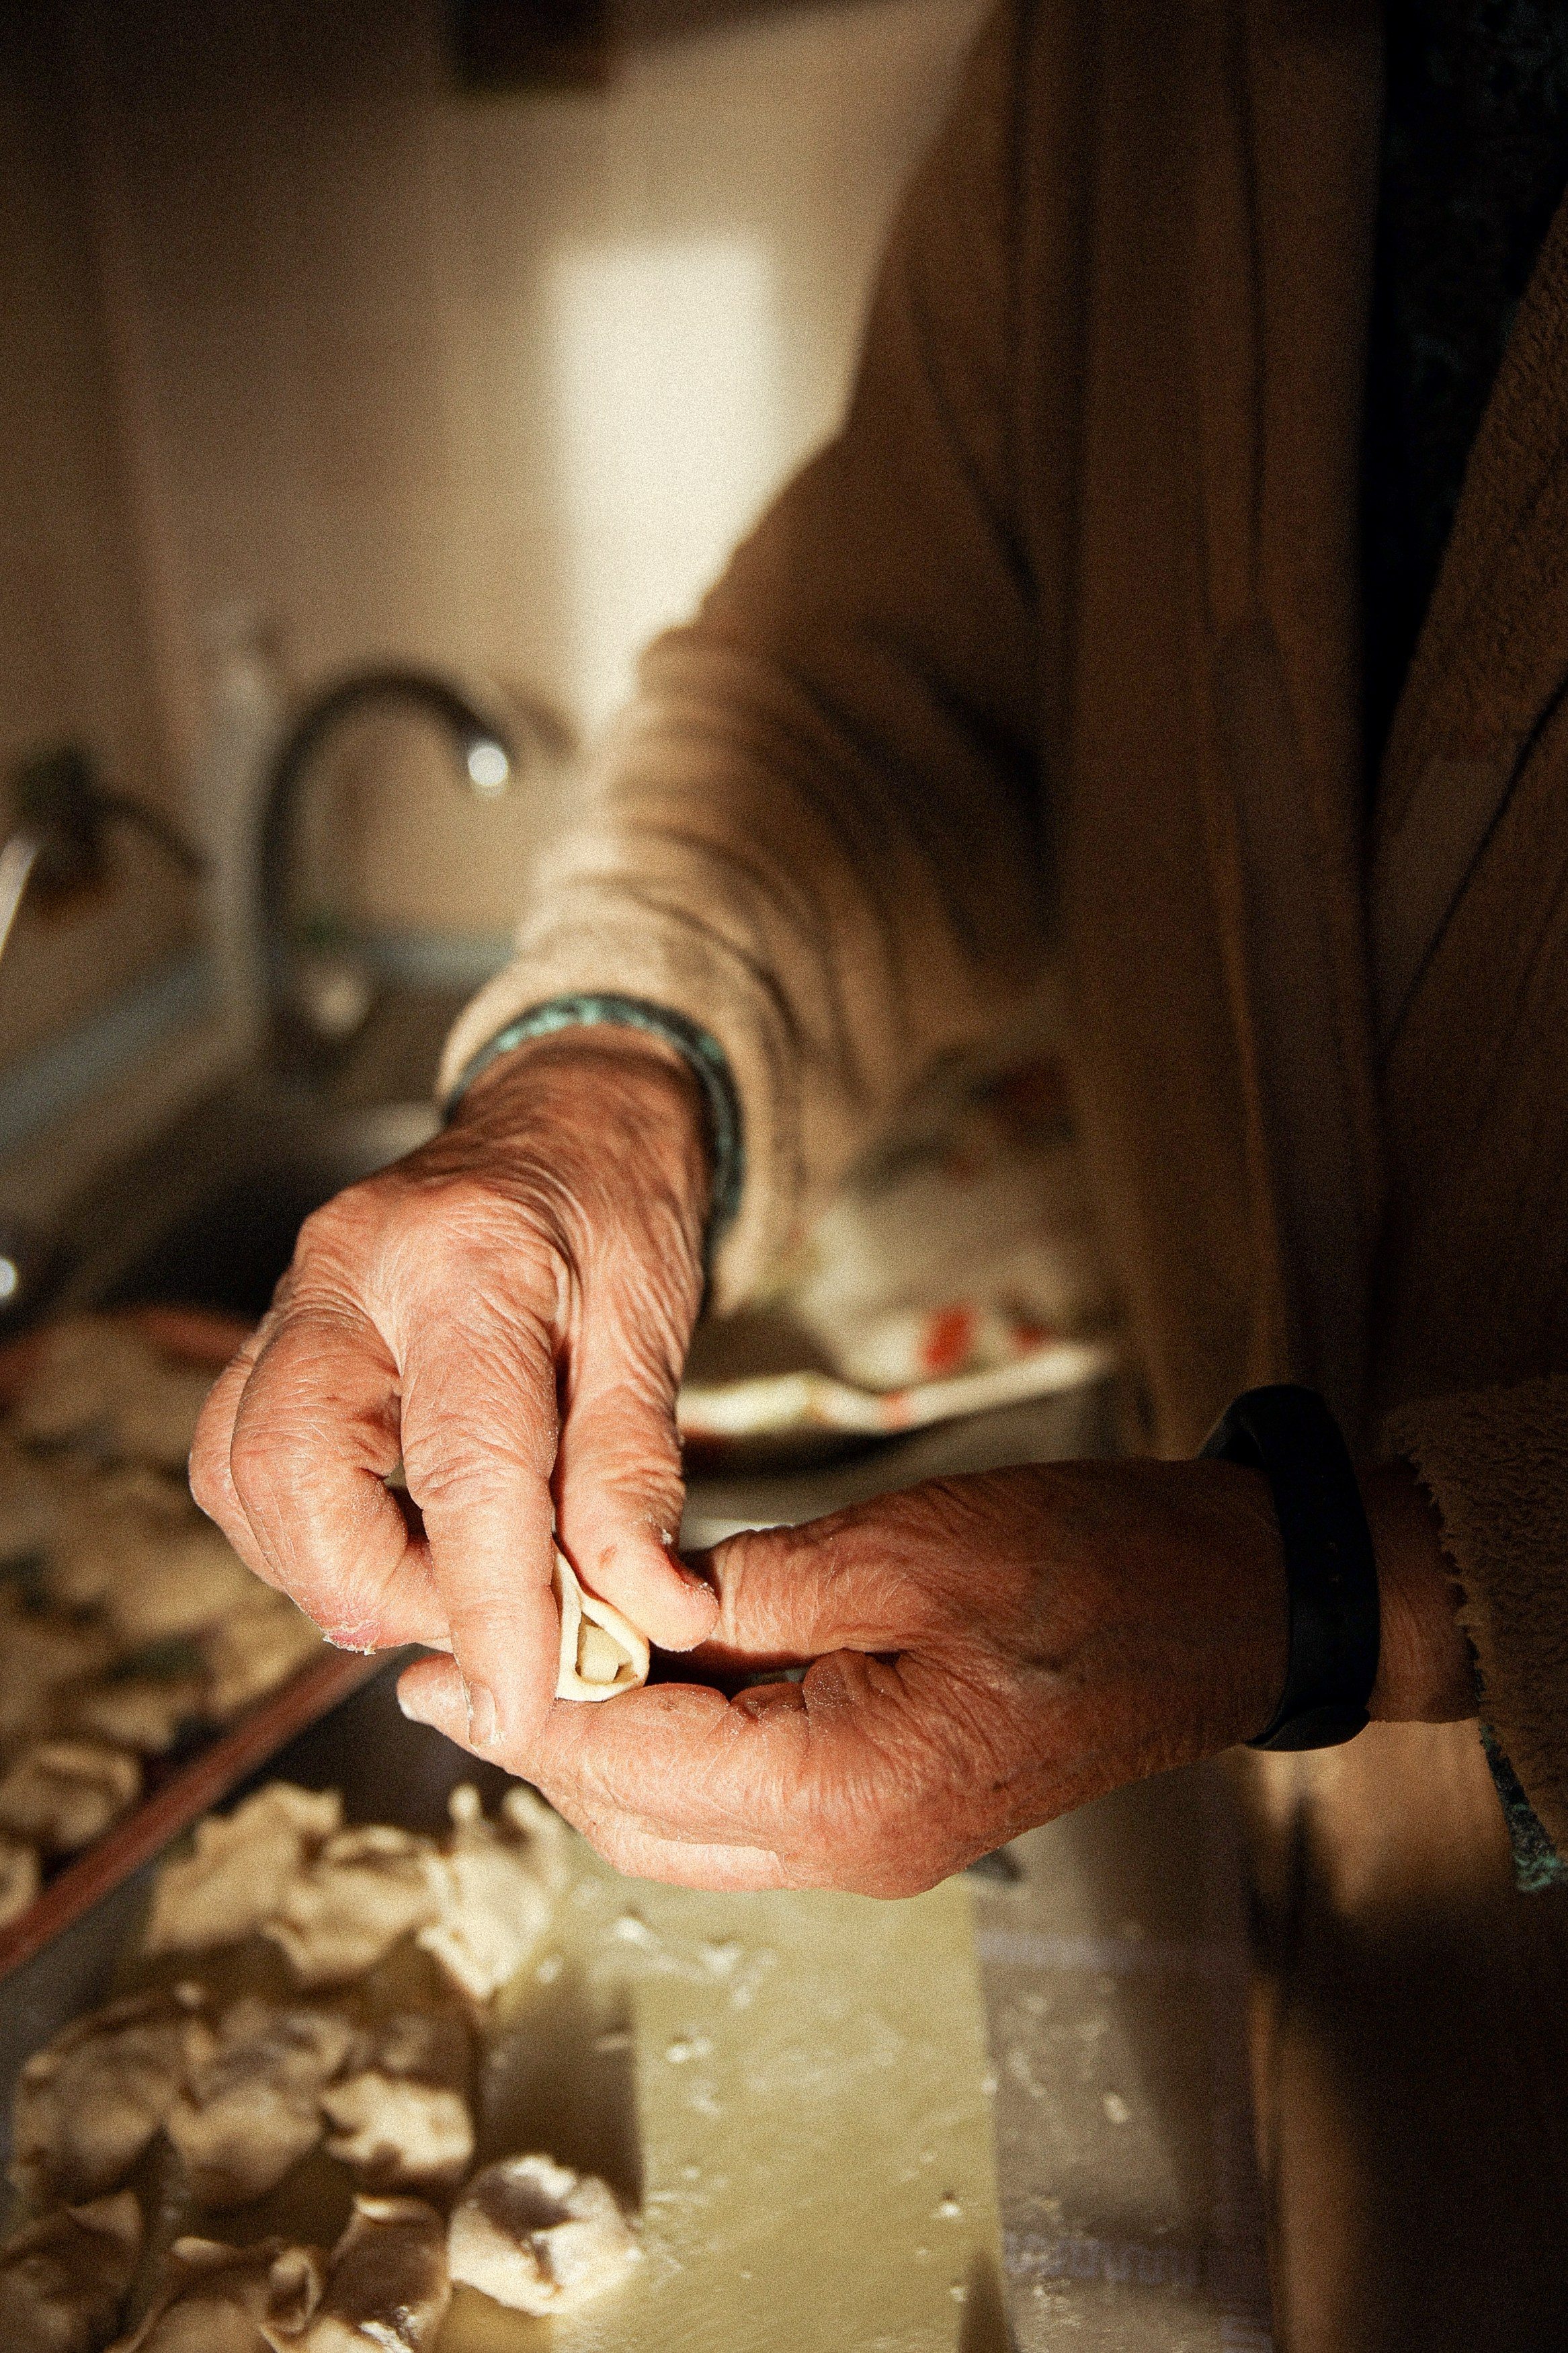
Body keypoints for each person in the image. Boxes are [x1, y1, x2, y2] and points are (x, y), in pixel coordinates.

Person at [194, 0, 1568, 2335]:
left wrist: (1349, 1590)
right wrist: (596, 1090)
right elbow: (871, 691)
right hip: (1328, 2003)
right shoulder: (1122, 65)